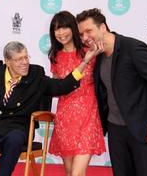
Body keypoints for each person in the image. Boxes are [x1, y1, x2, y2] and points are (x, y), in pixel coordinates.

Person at [0, 41, 103, 176]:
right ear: (7, 61)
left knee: (15, 139)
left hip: (15, 128)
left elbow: (61, 86)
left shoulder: (35, 75)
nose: (25, 63)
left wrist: (85, 61)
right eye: (19, 59)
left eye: (26, 57)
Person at [76, 8, 147, 176]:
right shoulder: (99, 56)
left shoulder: (133, 48)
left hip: (142, 127)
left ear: (103, 27)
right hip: (115, 129)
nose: (85, 38)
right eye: (81, 34)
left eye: (89, 31)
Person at [48, 11, 106, 176]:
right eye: (56, 29)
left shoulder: (91, 51)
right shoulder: (56, 56)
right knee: (70, 173)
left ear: (73, 28)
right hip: (65, 119)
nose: (61, 32)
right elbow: (58, 88)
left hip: (88, 115)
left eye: (65, 27)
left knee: (76, 174)